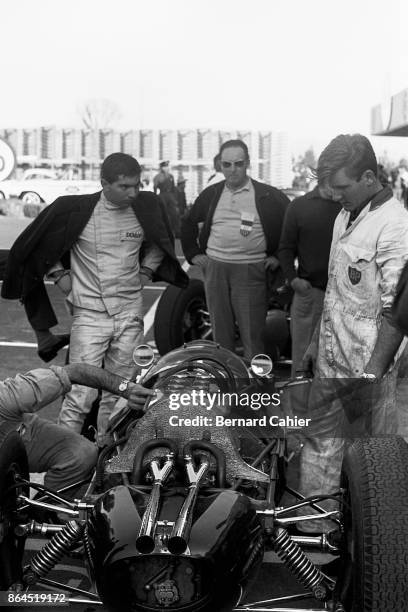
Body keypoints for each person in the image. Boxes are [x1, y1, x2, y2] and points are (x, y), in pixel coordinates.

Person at [2, 153, 188, 445]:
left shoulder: (146, 208)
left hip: (129, 314)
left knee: (122, 393)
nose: (133, 193)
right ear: (104, 184)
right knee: (79, 394)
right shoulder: (76, 211)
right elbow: (40, 249)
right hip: (89, 317)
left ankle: (106, 456)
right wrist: (63, 279)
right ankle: (68, 458)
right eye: (125, 187)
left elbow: (158, 242)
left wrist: (146, 272)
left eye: (137, 185)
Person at [299, 133, 408, 532]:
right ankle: (314, 533)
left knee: (372, 457)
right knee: (322, 445)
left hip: (369, 365)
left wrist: (373, 373)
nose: (332, 194)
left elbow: (397, 312)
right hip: (332, 355)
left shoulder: (396, 227)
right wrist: (314, 342)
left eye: (340, 186)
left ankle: (375, 543)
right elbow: (334, 288)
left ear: (368, 176)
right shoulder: (345, 215)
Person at [181, 139, 289, 359]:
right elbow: (188, 222)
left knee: (252, 334)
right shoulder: (211, 194)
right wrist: (193, 254)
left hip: (250, 270)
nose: (232, 170)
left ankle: (254, 388)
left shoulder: (269, 195)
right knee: (221, 334)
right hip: (215, 270)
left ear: (247, 163)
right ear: (220, 165)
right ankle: (227, 384)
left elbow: (292, 227)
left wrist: (278, 257)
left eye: (238, 164)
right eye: (227, 164)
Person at [0, 363, 154, 494]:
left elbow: (74, 372)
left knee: (82, 453)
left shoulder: (11, 396)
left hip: (15, 434)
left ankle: (49, 510)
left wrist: (127, 389)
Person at [278, 185, 341, 383]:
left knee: (336, 362)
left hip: (343, 296)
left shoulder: (348, 206)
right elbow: (286, 248)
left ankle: (323, 412)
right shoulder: (299, 206)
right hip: (310, 293)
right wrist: (293, 279)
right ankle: (299, 412)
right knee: (303, 360)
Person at [153, 160, 180, 235]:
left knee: (174, 214)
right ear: (161, 168)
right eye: (165, 167)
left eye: (167, 166)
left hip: (170, 195)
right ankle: (163, 231)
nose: (166, 168)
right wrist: (155, 198)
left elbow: (173, 187)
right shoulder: (157, 177)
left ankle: (177, 231)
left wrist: (175, 198)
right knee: (162, 213)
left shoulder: (171, 176)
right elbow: (155, 187)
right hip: (162, 195)